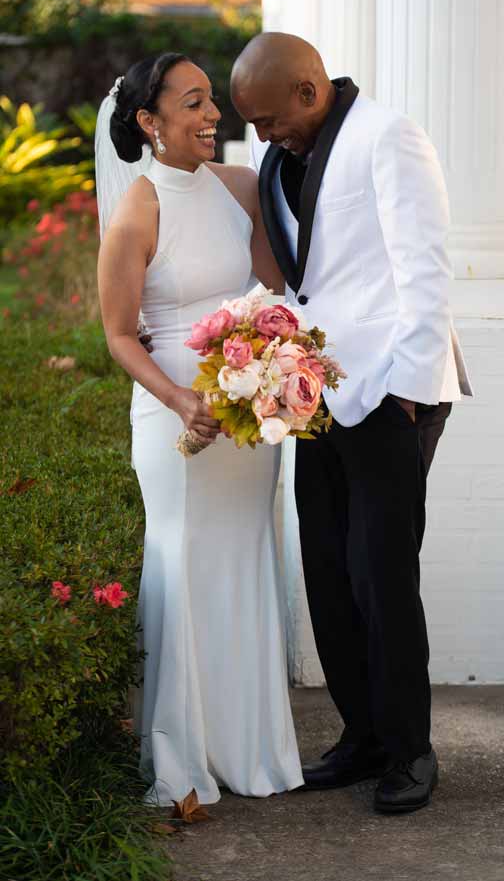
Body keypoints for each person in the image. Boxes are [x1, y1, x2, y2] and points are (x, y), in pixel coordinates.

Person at [230, 32, 473, 815]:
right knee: (329, 571)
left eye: (270, 119)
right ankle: (362, 733)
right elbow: (304, 278)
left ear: (308, 91)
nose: (264, 136)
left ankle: (409, 749)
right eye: (254, 125)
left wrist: (408, 391)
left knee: (381, 575)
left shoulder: (388, 136)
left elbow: (425, 268)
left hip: (389, 392)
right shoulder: (280, 153)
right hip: (315, 394)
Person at [96, 52, 303, 806]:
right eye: (193, 103)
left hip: (244, 420)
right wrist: (181, 399)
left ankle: (249, 749)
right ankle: (180, 756)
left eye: (211, 99)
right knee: (182, 558)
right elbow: (120, 334)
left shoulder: (241, 186)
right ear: (150, 121)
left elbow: (273, 289)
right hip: (175, 417)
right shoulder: (138, 209)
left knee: (244, 558)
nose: (213, 114)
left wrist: (277, 371)